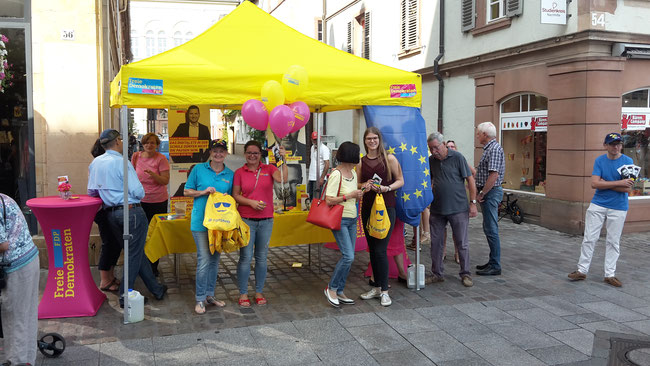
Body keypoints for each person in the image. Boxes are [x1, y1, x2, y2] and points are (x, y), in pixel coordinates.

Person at [87, 129, 167, 308]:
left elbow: (91, 191)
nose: (123, 143)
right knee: (134, 253)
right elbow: (138, 191)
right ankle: (125, 294)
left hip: (111, 212)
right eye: (121, 140)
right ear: (116, 142)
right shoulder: (122, 162)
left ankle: (156, 289)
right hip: (131, 211)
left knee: (135, 252)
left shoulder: (96, 163)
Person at [568, 133, 634, 287]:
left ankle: (610, 274)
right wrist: (619, 182)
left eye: (618, 144)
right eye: (612, 144)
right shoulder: (600, 161)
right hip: (598, 204)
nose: (616, 147)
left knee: (613, 241)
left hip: (618, 206)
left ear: (621, 145)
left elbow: (627, 190)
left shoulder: (628, 161)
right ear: (605, 145)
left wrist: (605, 183)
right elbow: (594, 184)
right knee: (589, 238)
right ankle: (582, 270)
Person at [233, 140, 288, 307]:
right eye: (249, 153)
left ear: (260, 155)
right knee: (245, 257)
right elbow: (236, 195)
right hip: (246, 220)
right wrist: (251, 203)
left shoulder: (269, 168)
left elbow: (283, 179)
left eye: (255, 153)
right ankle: (243, 293)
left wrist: (284, 160)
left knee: (262, 258)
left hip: (266, 220)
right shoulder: (239, 172)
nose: (252, 156)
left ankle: (259, 291)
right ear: (245, 154)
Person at [184, 139, 232, 314]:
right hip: (201, 223)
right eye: (215, 151)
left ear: (226, 153)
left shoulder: (230, 174)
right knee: (204, 260)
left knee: (214, 261)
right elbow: (187, 191)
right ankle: (199, 299)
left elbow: (233, 198)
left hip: (220, 225)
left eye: (222, 151)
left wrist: (227, 197)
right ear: (210, 153)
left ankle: (210, 295)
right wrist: (203, 192)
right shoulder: (198, 169)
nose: (218, 154)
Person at [358, 127, 404, 307]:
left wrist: (386, 188)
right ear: (365, 141)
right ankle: (376, 287)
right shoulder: (361, 162)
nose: (372, 141)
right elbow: (358, 183)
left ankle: (385, 291)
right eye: (369, 138)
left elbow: (400, 180)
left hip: (387, 208)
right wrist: (365, 185)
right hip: (368, 208)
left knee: (380, 249)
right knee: (373, 249)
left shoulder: (389, 158)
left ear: (379, 140)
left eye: (375, 138)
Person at [427, 132, 477, 287]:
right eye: (431, 148)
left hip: (458, 208)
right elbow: (427, 180)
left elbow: (470, 179)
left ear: (443, 144)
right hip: (437, 209)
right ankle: (437, 273)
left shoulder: (457, 157)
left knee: (461, 242)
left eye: (436, 147)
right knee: (436, 242)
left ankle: (465, 273)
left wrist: (473, 203)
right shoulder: (430, 161)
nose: (434, 151)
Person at [0, 193, 40, 366]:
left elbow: (2, 245)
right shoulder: (4, 197)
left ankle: (17, 361)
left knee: (15, 318)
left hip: (17, 266)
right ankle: (26, 360)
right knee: (26, 315)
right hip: (28, 259)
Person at [323, 142, 363, 307]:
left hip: (352, 219)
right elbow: (329, 199)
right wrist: (350, 196)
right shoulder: (336, 174)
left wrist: (359, 192)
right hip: (340, 219)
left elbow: (352, 193)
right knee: (348, 256)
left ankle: (339, 290)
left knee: (349, 257)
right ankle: (331, 288)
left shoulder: (352, 173)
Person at [132, 133, 170, 276]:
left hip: (158, 201)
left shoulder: (161, 159)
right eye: (147, 143)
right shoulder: (136, 156)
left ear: (157, 145)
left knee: (155, 235)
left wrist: (153, 175)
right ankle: (141, 265)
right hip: (140, 201)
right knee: (140, 234)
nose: (149, 145)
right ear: (142, 144)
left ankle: (153, 267)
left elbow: (165, 181)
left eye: (153, 143)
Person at [474, 122, 506, 276]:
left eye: (479, 133)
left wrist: (482, 193)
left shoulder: (493, 149)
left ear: (485, 135)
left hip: (491, 192)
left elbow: (493, 175)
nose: (477, 136)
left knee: (491, 228)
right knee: (489, 227)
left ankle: (495, 264)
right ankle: (492, 261)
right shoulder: (490, 148)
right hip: (490, 192)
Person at [91, 139, 122, 292]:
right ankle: (104, 280)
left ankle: (109, 276)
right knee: (109, 244)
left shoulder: (100, 165)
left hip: (108, 209)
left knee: (115, 244)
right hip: (104, 210)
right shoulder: (100, 165)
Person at [443, 140, 476, 263]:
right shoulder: (442, 160)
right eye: (448, 146)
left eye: (452, 146)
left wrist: (467, 186)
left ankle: (457, 253)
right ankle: (444, 251)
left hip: (457, 201)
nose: (450, 148)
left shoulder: (460, 159)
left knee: (457, 231)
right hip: (443, 201)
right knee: (443, 229)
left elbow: (472, 173)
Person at [308, 131, 330, 200]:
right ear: (311, 139)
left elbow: (327, 164)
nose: (316, 141)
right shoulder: (312, 147)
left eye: (317, 139)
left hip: (318, 177)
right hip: (311, 177)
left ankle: (316, 210)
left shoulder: (324, 148)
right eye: (314, 139)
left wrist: (322, 178)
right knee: (311, 196)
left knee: (317, 198)